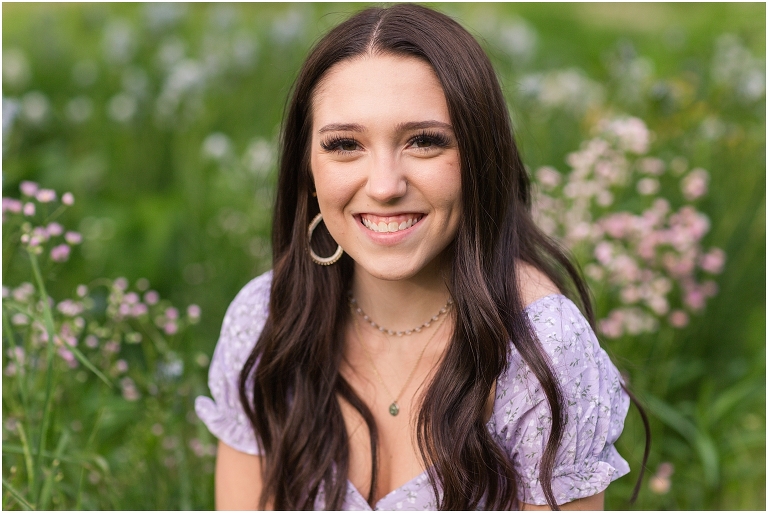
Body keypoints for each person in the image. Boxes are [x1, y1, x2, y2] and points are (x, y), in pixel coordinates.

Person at [196, 4, 647, 510]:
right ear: (308, 168)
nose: (385, 186)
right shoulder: (267, 319)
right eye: (345, 144)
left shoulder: (540, 351)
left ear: (480, 154)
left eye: (425, 142)